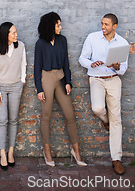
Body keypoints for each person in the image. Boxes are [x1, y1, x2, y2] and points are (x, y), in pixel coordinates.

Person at [79, 13, 129, 176]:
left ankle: (116, 159)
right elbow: (82, 59)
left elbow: (123, 69)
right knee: (98, 108)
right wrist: (91, 63)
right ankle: (105, 120)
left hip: (114, 80)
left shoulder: (122, 43)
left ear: (114, 26)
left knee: (117, 119)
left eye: (106, 24)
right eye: (102, 24)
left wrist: (116, 66)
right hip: (96, 79)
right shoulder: (92, 38)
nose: (103, 27)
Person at [34, 12, 86, 167]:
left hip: (61, 77)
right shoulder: (40, 43)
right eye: (58, 25)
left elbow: (66, 62)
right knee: (46, 116)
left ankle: (76, 152)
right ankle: (47, 152)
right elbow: (37, 67)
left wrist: (68, 81)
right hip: (47, 78)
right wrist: (39, 88)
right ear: (51, 26)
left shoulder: (62, 40)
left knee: (70, 115)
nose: (61, 27)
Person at [0, 22, 26, 170]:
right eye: (13, 33)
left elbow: (24, 65)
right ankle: (2, 154)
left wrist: (22, 81)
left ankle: (11, 152)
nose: (16, 35)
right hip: (1, 88)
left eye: (16, 32)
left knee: (13, 120)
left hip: (16, 86)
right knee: (2, 120)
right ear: (6, 35)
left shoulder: (20, 47)